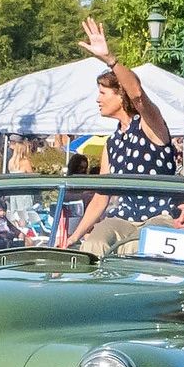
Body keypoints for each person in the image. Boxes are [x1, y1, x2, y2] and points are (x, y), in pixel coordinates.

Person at [63, 17, 178, 256]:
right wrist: (72, 238)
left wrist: (110, 60)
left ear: (120, 96)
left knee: (135, 246)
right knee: (95, 241)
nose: (98, 99)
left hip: (160, 218)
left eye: (103, 92)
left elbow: (137, 95)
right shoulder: (111, 143)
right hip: (125, 219)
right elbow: (101, 198)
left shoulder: (150, 126)